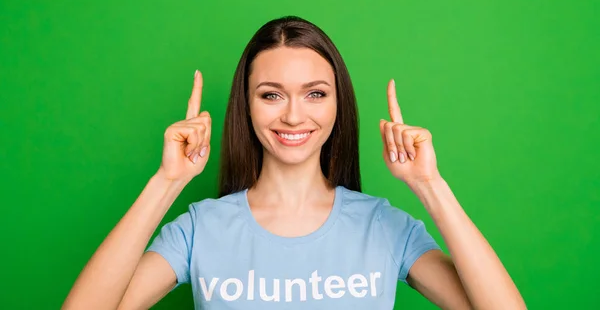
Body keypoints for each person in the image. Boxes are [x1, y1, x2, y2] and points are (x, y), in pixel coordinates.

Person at [62, 16, 526, 310]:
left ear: (337, 105)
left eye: (315, 94)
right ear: (246, 107)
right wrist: (167, 181)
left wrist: (429, 185)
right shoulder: (201, 229)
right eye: (271, 95)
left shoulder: (383, 226)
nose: (293, 115)